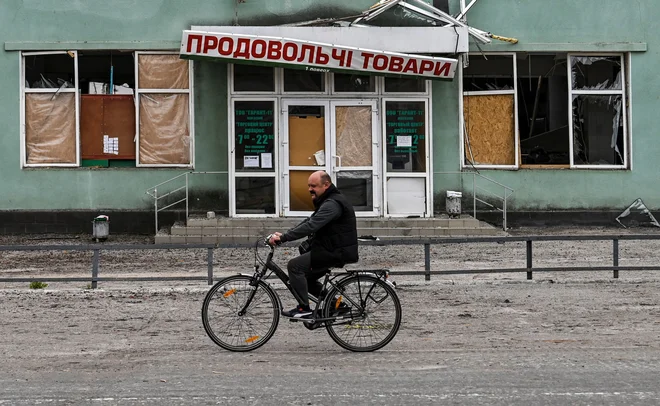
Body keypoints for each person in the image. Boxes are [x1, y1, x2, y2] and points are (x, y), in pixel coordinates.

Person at [268, 170, 358, 318]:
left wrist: (284, 238)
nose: (310, 189)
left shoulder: (333, 204)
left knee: (295, 266)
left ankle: (304, 309)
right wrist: (284, 234)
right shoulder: (329, 200)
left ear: (326, 185)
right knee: (306, 278)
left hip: (335, 251)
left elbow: (312, 226)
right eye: (309, 186)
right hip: (332, 248)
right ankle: (336, 305)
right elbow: (309, 221)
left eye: (314, 186)